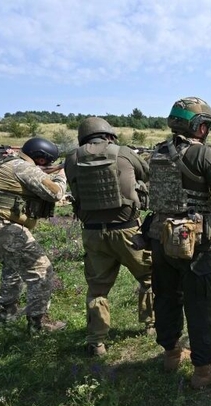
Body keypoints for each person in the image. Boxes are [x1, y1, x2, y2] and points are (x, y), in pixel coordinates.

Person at [147, 97, 211, 389]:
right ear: (199, 127)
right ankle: (204, 369)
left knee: (166, 296)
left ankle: (171, 354)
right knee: (201, 303)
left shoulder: (158, 152)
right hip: (193, 243)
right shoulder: (202, 154)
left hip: (159, 237)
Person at [64, 117, 153, 356]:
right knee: (149, 277)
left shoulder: (71, 159)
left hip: (93, 233)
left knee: (97, 289)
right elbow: (146, 173)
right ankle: (151, 325)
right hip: (127, 230)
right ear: (109, 135)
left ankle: (96, 342)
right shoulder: (123, 152)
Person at [0, 137, 67, 333]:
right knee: (41, 270)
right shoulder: (23, 167)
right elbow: (55, 193)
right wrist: (61, 175)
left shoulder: (6, 163)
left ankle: (7, 313)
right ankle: (39, 323)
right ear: (40, 158)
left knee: (12, 267)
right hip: (4, 228)